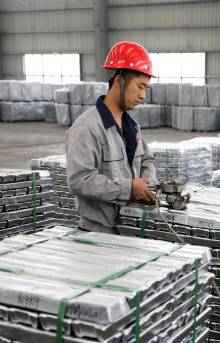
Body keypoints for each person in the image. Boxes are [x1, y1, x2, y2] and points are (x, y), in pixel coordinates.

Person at [65, 41, 156, 233]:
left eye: (146, 89)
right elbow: (80, 180)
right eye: (140, 87)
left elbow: (147, 159)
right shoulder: (87, 127)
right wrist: (129, 188)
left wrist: (146, 182)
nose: (142, 95)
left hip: (128, 227)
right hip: (98, 233)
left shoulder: (132, 126)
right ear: (119, 82)